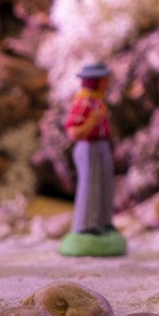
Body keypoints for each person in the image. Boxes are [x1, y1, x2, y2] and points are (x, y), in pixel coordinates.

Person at [61, 62, 124, 255]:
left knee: (106, 184)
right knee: (91, 186)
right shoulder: (83, 103)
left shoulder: (97, 101)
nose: (107, 83)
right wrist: (92, 122)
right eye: (104, 80)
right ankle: (86, 225)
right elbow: (73, 133)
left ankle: (103, 221)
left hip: (101, 145)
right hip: (89, 146)